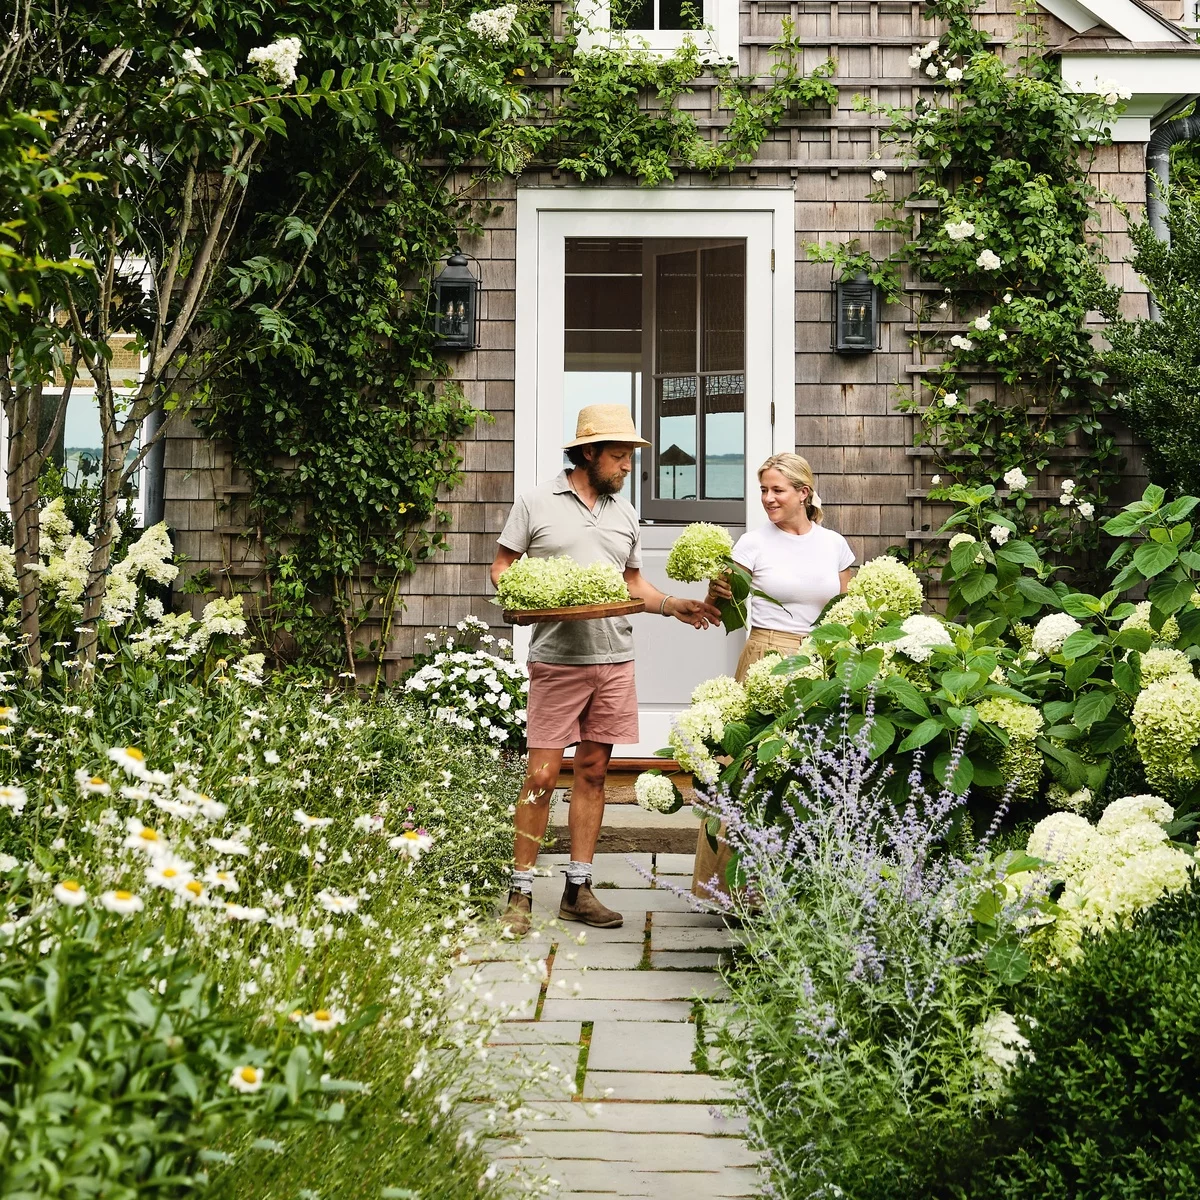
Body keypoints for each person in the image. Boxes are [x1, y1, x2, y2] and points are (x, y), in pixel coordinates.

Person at [492, 404, 721, 936]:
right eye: (619, 456)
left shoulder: (625, 513)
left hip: (615, 660)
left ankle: (578, 890)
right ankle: (520, 892)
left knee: (594, 772)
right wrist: (528, 595)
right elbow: (502, 567)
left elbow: (633, 584)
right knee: (541, 776)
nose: (627, 467)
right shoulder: (535, 501)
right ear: (589, 453)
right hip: (557, 660)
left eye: (629, 458)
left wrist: (674, 605)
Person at [692, 452, 856, 899]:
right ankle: (726, 890)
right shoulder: (752, 544)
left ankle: (800, 890)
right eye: (763, 489)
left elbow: (847, 611)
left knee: (810, 772)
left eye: (777, 490)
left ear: (804, 493)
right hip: (765, 655)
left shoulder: (834, 545)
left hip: (820, 664)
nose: (767, 498)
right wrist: (716, 588)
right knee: (744, 771)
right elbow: (720, 603)